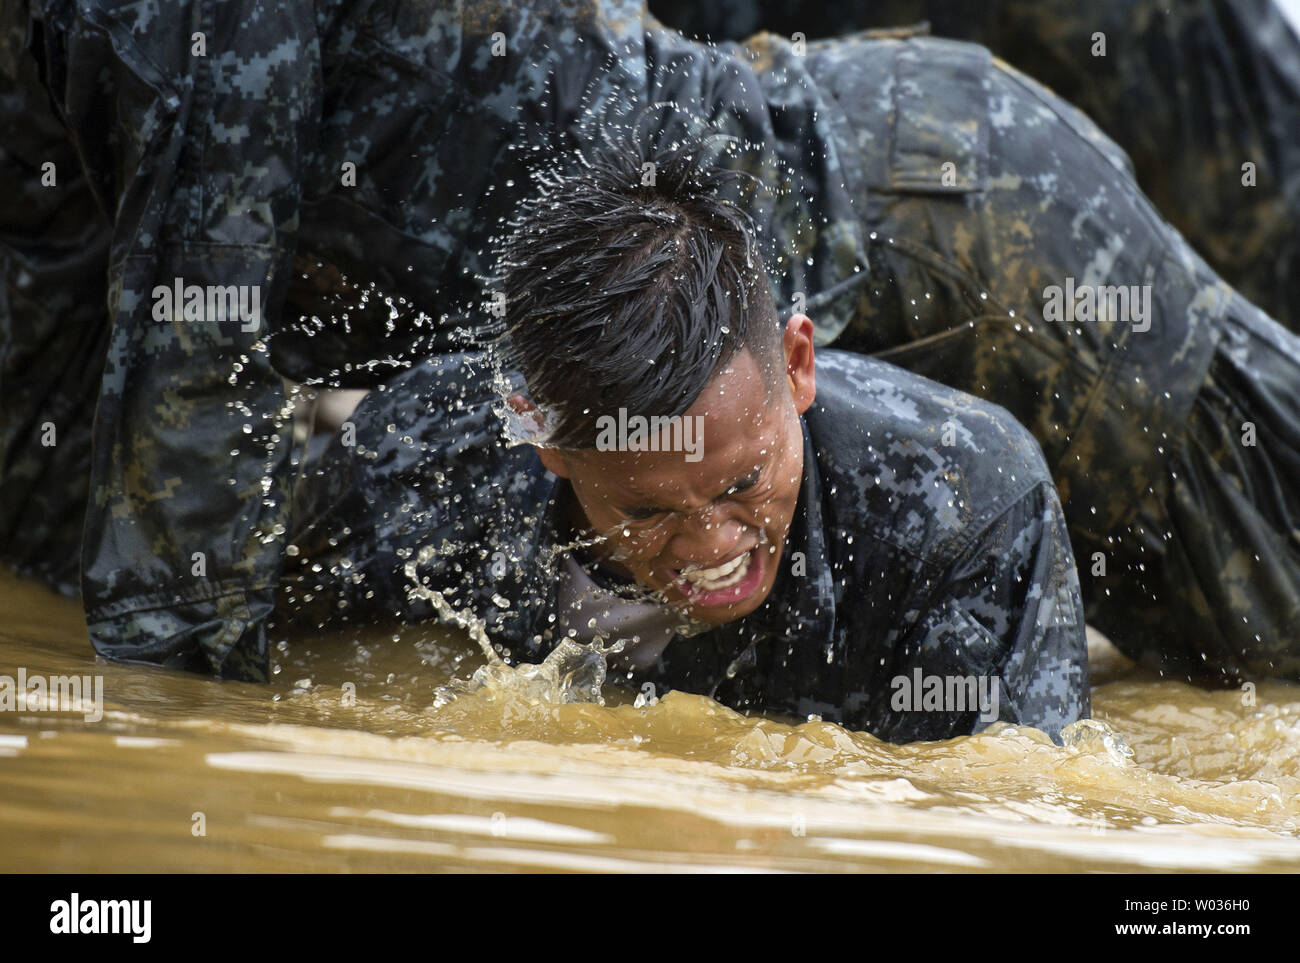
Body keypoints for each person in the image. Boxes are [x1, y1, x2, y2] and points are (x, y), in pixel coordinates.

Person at [2, 0, 1296, 688]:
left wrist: (168, 751)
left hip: (956, 229)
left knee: (1266, 637)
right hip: (839, 229)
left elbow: (194, 351)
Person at [286, 140, 1091, 744]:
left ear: (798, 365)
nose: (713, 546)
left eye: (743, 482)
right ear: (545, 440)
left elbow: (1000, 822)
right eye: (644, 506)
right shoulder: (427, 463)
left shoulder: (969, 502)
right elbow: (223, 652)